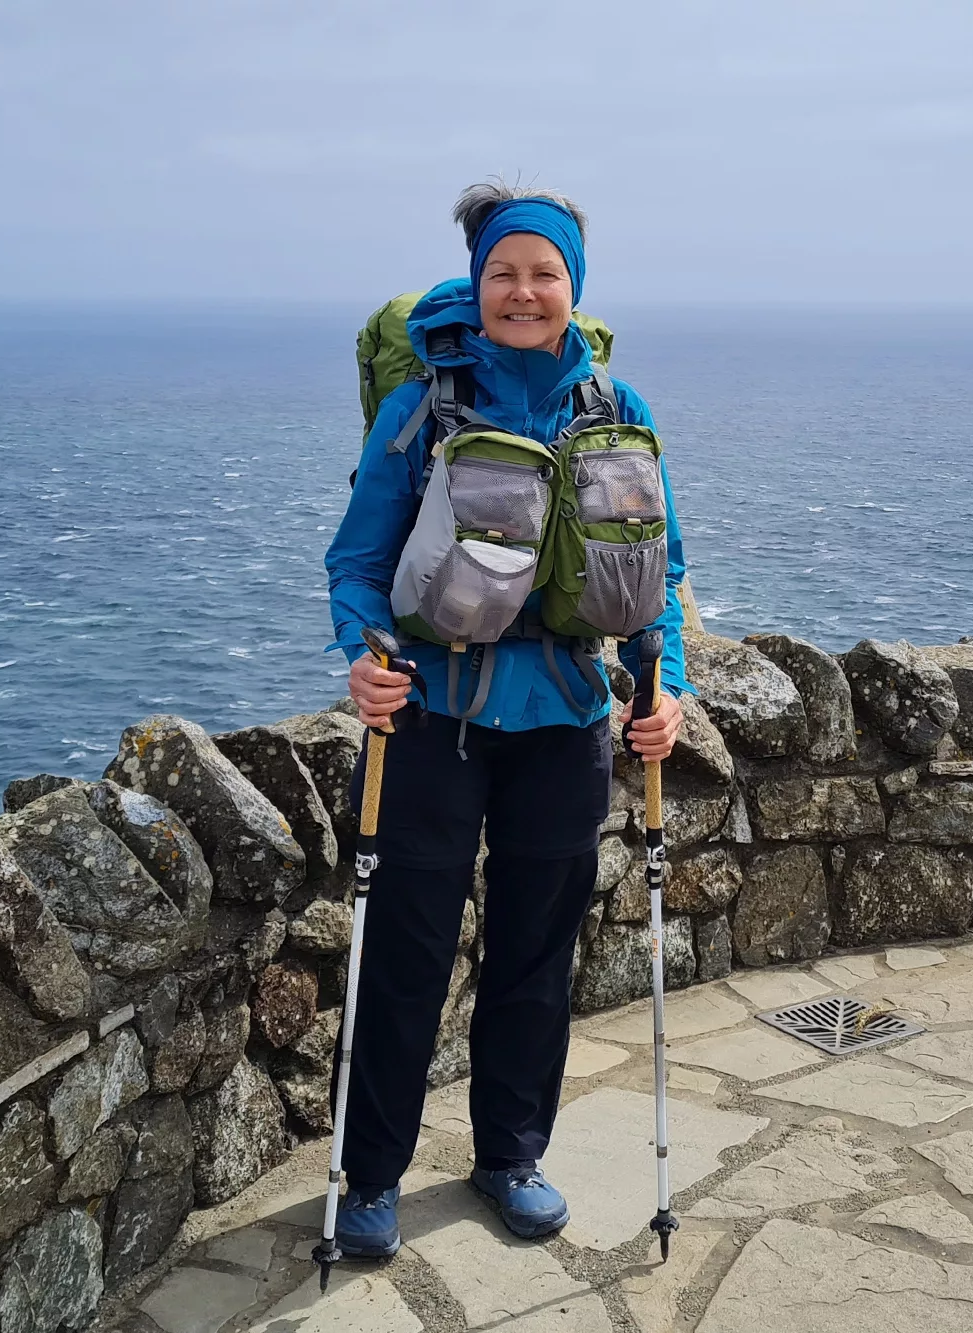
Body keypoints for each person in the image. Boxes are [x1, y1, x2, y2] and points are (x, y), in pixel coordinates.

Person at [322, 181, 691, 1256]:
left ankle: (509, 1155)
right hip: (432, 719)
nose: (523, 291)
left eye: (544, 272)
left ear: (575, 287)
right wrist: (366, 661)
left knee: (538, 949)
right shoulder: (423, 408)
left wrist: (661, 693)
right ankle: (372, 1178)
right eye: (503, 272)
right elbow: (355, 561)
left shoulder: (619, 415)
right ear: (476, 285)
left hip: (566, 723)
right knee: (406, 949)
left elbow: (658, 575)